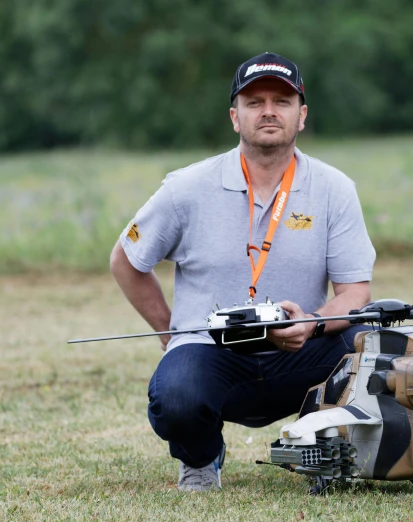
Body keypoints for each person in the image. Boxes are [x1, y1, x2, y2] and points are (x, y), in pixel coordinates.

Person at [109, 52, 376, 491]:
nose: (268, 110)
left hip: (300, 352)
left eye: (281, 100)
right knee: (177, 392)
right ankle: (200, 457)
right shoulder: (185, 188)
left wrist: (311, 323)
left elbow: (355, 291)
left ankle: (324, 451)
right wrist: (171, 331)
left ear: (301, 115)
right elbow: (126, 260)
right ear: (235, 117)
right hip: (212, 353)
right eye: (254, 102)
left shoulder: (335, 189)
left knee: (367, 344)